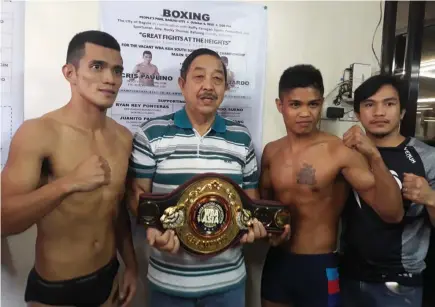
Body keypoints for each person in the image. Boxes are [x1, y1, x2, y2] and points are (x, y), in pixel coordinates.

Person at [128, 48, 288, 307]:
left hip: (227, 283)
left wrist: (254, 228)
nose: (208, 86)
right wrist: (153, 228)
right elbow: (137, 196)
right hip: (168, 280)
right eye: (199, 77)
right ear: (182, 84)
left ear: (226, 87)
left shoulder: (242, 139)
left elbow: (249, 203)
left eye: (217, 79)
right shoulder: (151, 133)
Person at [1, 30, 138, 307]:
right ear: (70, 73)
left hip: (108, 278)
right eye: (97, 67)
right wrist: (67, 184)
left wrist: (132, 267)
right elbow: (3, 220)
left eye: (117, 70)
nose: (110, 79)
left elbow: (116, 208)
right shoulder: (39, 133)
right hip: (56, 290)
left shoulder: (124, 138)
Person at [259, 65, 404, 307]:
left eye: (313, 104)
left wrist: (375, 158)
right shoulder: (271, 152)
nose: (305, 113)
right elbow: (262, 207)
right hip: (278, 262)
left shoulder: (339, 151)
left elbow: (392, 213)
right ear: (280, 105)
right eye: (296, 104)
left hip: (319, 264)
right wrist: (267, 234)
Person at [339, 74, 435, 307]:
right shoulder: (346, 153)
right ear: (358, 114)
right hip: (348, 275)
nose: (379, 112)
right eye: (369, 105)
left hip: (399, 283)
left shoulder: (427, 157)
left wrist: (430, 198)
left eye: (389, 104)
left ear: (402, 112)